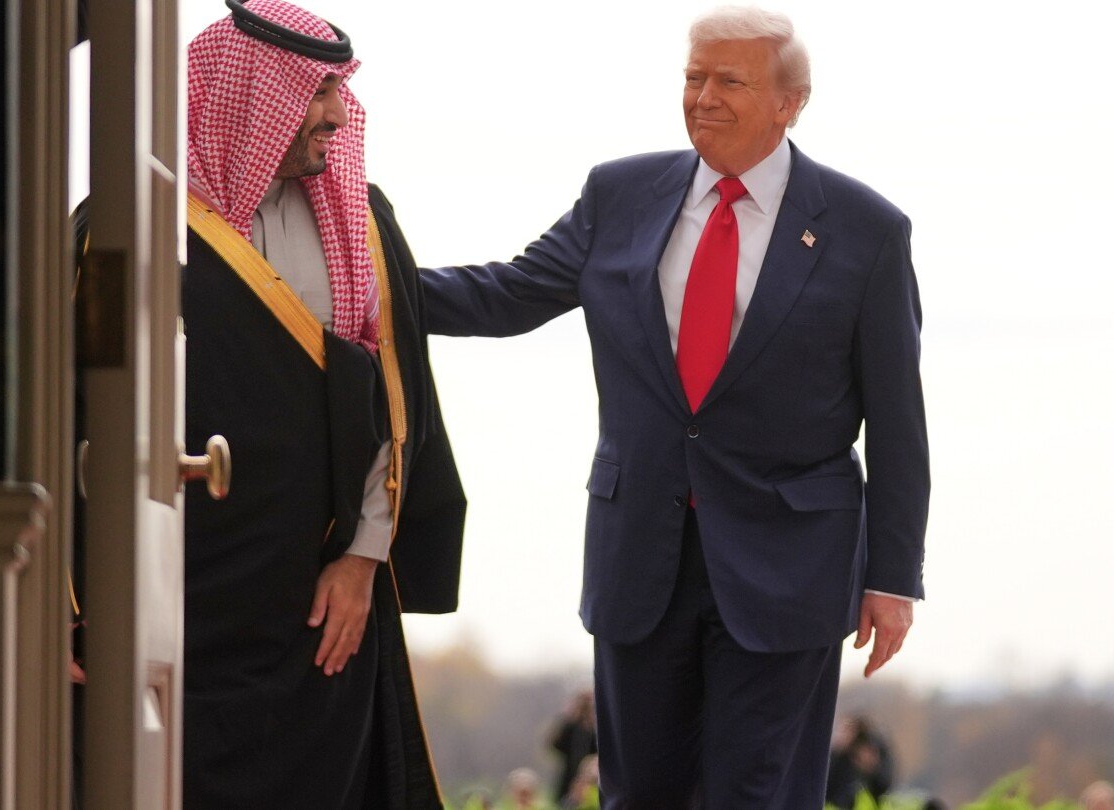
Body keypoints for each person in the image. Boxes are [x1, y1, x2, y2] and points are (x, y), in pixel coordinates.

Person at [419, 7, 929, 806]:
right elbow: (508, 292)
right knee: (639, 795)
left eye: (730, 81)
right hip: (641, 557)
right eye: (694, 77)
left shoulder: (867, 230)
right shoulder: (618, 193)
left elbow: (899, 422)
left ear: (790, 102)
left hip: (788, 565)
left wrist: (893, 577)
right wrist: (364, 281)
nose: (703, 96)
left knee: (755, 796)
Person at [182, 1, 467, 807]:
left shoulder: (364, 223)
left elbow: (394, 407)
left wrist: (363, 557)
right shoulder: (133, 225)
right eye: (317, 91)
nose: (338, 114)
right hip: (178, 595)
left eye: (339, 89)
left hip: (321, 593)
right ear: (249, 94)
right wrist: (76, 606)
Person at [826, 715, 895, 808]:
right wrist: (837, 749)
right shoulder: (841, 754)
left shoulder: (876, 748)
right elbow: (827, 785)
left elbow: (885, 785)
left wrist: (871, 767)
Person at [546, 690, 597, 802]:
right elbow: (554, 744)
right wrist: (570, 716)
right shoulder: (570, 727)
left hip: (592, 778)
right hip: (569, 776)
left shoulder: (597, 728)